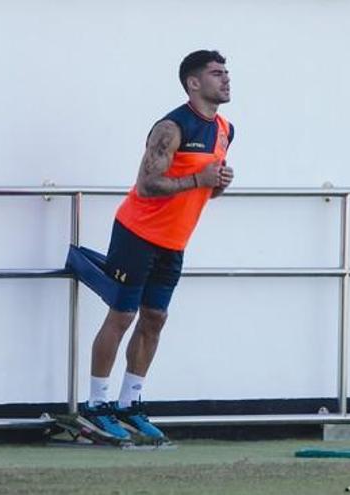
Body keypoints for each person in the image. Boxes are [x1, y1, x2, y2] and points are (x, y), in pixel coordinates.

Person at [82, 50, 235, 443]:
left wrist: (215, 185)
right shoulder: (171, 127)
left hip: (174, 241)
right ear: (193, 83)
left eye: (226, 72)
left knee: (155, 319)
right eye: (216, 73)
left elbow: (201, 187)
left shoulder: (225, 129)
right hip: (137, 234)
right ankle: (96, 406)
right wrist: (199, 181)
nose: (226, 79)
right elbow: (148, 185)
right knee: (122, 316)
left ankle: (129, 404)